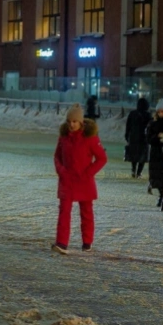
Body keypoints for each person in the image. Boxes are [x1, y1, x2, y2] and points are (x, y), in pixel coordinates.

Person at [52, 104, 107, 254]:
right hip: (67, 180)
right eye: (69, 121)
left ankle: (87, 242)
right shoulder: (64, 137)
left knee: (86, 212)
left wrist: (88, 173)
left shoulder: (90, 138)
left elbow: (102, 158)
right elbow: (57, 156)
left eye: (74, 121)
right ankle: (62, 242)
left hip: (84, 181)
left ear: (81, 122)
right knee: (64, 211)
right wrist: (62, 171)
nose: (71, 124)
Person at [124, 97, 152, 179]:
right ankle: (139, 173)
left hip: (133, 136)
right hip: (143, 137)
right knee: (142, 156)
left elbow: (128, 125)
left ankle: (133, 169)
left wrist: (127, 135)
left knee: (134, 154)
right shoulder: (148, 115)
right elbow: (150, 126)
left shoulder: (132, 113)